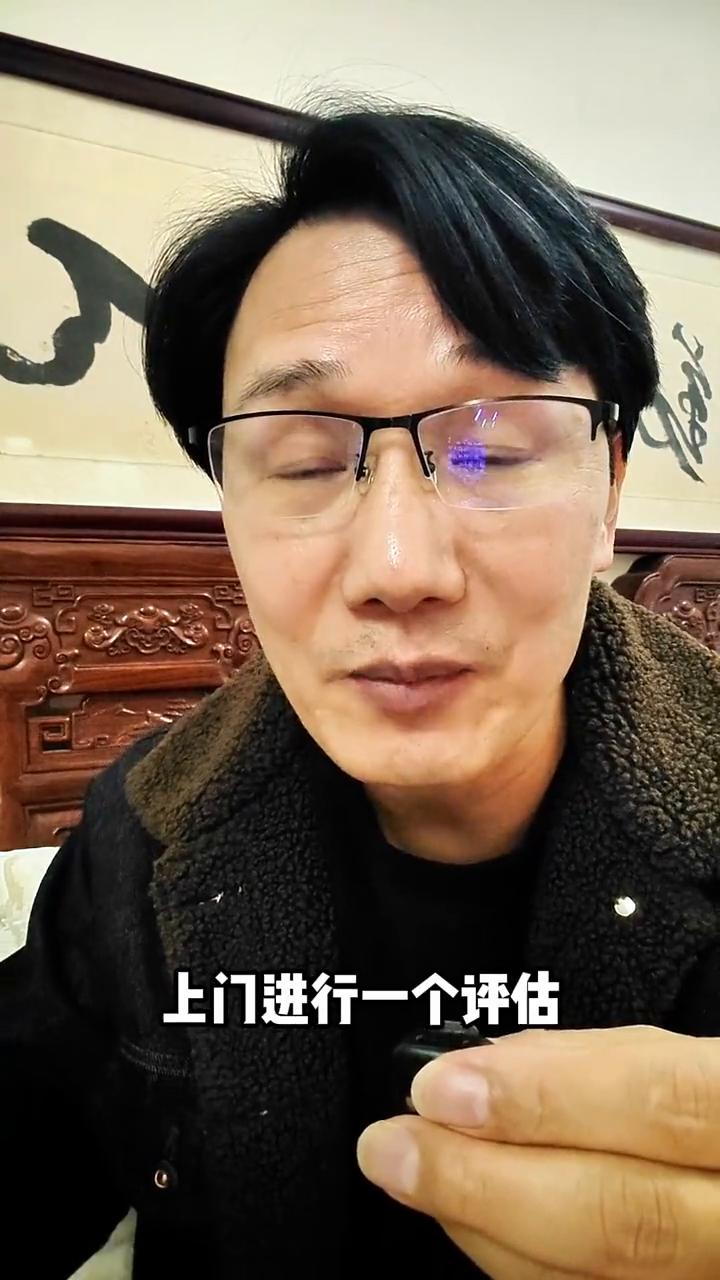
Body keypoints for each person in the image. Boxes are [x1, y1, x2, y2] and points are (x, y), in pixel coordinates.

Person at [1, 103, 719, 1280]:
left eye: (489, 450)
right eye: (304, 459)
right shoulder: (142, 834)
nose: (398, 566)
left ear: (610, 493)